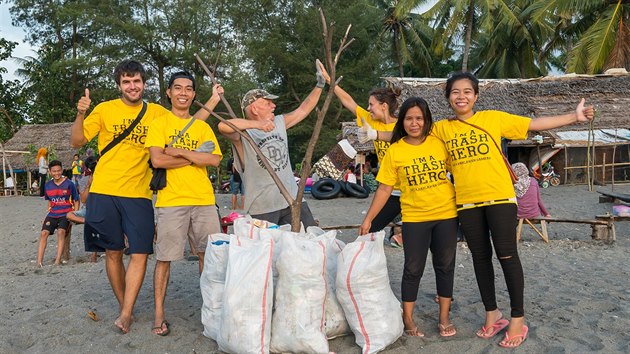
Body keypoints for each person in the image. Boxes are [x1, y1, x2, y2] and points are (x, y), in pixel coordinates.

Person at [432, 71, 594, 348]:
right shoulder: (441, 129)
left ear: (476, 95)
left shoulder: (493, 118)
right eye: (455, 92)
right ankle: (492, 314)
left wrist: (573, 117)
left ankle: (517, 318)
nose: (461, 96)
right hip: (467, 203)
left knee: (507, 256)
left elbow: (533, 124)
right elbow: (409, 132)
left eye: (467, 91)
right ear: (448, 97)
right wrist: (375, 132)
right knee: (480, 260)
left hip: (500, 199)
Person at [69, 59, 217, 334]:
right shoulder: (104, 109)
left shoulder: (157, 112)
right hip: (104, 190)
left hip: (139, 194)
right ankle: (127, 305)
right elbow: (77, 142)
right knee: (112, 252)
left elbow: (189, 123)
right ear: (119, 85)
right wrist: (80, 113)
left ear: (144, 84)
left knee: (140, 252)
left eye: (136, 81)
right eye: (126, 82)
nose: (132, 86)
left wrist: (213, 100)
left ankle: (125, 314)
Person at [359, 97, 458, 338]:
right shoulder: (395, 150)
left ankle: (444, 317)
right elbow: (384, 189)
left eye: (419, 118)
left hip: (446, 214)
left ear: (427, 121)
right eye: (409, 118)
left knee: (445, 266)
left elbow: (460, 171)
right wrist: (369, 218)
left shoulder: (439, 144)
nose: (414, 123)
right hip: (415, 217)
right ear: (401, 121)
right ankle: (408, 317)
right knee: (413, 269)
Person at [145, 71, 223, 336]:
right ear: (168, 92)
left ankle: (211, 309)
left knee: (209, 256)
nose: (183, 93)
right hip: (171, 201)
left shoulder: (202, 127)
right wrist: (195, 157)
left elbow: (213, 160)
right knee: (165, 258)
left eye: (188, 89)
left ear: (193, 94)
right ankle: (158, 313)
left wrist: (178, 151)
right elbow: (157, 161)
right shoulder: (159, 123)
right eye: (177, 88)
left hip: (204, 200)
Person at [217, 60, 325, 227]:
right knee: (267, 249)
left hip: (292, 200)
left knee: (309, 239)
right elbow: (222, 126)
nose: (273, 105)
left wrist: (319, 84)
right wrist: (258, 125)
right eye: (267, 103)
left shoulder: (279, 122)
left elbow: (304, 109)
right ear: (254, 109)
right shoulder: (243, 135)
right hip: (263, 207)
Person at [317, 62, 403, 238]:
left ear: (384, 106)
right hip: (390, 189)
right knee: (369, 230)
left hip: (412, 189)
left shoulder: (404, 124)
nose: (369, 108)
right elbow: (348, 101)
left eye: (371, 104)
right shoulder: (370, 121)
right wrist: (329, 81)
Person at [37, 160, 79, 267]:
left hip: (66, 214)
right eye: (54, 171)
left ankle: (57, 260)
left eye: (58, 171)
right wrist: (47, 214)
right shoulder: (47, 185)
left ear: (62, 170)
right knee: (43, 234)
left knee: (61, 232)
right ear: (50, 172)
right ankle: (39, 262)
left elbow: (76, 200)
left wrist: (75, 215)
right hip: (52, 214)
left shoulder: (70, 184)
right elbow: (50, 201)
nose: (57, 173)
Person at [66, 156, 98, 262]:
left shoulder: (105, 179)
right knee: (69, 215)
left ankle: (94, 255)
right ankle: (89, 222)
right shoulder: (83, 180)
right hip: (87, 209)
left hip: (101, 208)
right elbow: (83, 200)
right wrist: (89, 185)